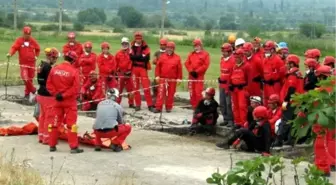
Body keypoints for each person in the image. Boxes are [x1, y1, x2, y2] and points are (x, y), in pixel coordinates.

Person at [46, 51, 84, 154]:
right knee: (71, 125)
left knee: (54, 123)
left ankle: (52, 146)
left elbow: (48, 84)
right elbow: (75, 89)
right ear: (73, 60)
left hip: (57, 101)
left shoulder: (54, 69)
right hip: (69, 101)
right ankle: (73, 147)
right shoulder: (74, 71)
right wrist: (64, 95)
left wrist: (56, 94)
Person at [7, 26, 40, 99]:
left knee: (30, 79)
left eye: (29, 34)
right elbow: (14, 48)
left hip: (31, 63)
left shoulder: (33, 41)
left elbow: (38, 49)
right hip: (23, 64)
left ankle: (27, 95)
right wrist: (10, 53)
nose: (27, 35)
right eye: (26, 34)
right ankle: (34, 90)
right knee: (25, 78)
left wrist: (36, 56)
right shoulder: (19, 41)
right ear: (23, 33)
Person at [36, 48, 59, 144]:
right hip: (48, 96)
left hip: (40, 93)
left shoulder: (40, 65)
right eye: (56, 58)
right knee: (49, 118)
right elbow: (53, 81)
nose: (56, 60)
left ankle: (41, 136)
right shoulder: (48, 68)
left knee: (42, 116)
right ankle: (47, 138)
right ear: (51, 57)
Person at [313, 65, 333, 176]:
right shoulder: (333, 89)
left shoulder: (319, 91)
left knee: (320, 145)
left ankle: (323, 168)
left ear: (321, 77)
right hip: (331, 120)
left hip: (321, 121)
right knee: (329, 143)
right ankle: (328, 164)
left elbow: (310, 107)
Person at [153, 41, 182, 113]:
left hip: (172, 79)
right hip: (162, 79)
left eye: (171, 48)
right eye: (168, 47)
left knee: (171, 94)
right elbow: (158, 67)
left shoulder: (177, 58)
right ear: (166, 48)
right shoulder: (162, 57)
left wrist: (179, 78)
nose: (169, 49)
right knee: (160, 93)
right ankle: (158, 107)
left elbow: (179, 69)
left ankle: (168, 107)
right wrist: (157, 76)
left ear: (173, 49)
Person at [130, 31, 154, 111]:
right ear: (135, 38)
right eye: (137, 38)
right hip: (134, 69)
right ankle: (138, 105)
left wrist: (136, 57)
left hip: (143, 68)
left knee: (146, 87)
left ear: (142, 38)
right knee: (135, 87)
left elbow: (146, 58)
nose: (138, 40)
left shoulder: (146, 46)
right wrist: (140, 56)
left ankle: (150, 105)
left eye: (139, 38)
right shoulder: (132, 46)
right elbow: (131, 57)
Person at [185, 39, 210, 109]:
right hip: (191, 75)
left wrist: (197, 72)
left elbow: (205, 65)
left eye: (197, 45)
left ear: (201, 45)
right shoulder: (191, 54)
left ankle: (199, 106)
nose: (196, 47)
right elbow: (187, 63)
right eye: (195, 45)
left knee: (198, 92)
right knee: (191, 92)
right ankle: (194, 106)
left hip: (199, 76)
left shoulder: (205, 54)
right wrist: (191, 71)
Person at [229, 48, 251, 128]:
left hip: (242, 89)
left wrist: (246, 89)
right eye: (235, 57)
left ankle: (243, 123)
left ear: (242, 57)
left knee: (242, 106)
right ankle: (237, 122)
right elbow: (231, 76)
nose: (236, 59)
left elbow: (249, 80)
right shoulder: (234, 66)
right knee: (235, 106)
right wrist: (230, 85)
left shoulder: (247, 66)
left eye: (237, 57)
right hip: (234, 89)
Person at [262, 40, 285, 105]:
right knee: (266, 102)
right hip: (266, 85)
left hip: (274, 85)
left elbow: (282, 75)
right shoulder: (265, 59)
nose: (266, 51)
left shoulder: (278, 61)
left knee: (274, 102)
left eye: (268, 50)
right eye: (265, 50)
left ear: (272, 50)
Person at [218, 43, 235, 127]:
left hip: (228, 85)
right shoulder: (222, 60)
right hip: (222, 85)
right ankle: (225, 118)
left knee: (229, 103)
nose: (223, 53)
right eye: (222, 52)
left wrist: (229, 85)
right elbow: (222, 72)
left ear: (229, 52)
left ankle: (231, 120)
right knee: (222, 102)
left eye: (225, 52)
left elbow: (232, 74)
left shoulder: (233, 60)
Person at [115, 37, 134, 107]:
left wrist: (129, 70)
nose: (124, 45)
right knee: (119, 88)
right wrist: (116, 72)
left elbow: (132, 62)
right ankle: (117, 102)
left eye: (126, 43)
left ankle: (131, 103)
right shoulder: (118, 53)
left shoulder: (131, 53)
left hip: (129, 73)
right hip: (121, 73)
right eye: (123, 43)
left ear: (128, 44)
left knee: (131, 89)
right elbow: (115, 63)